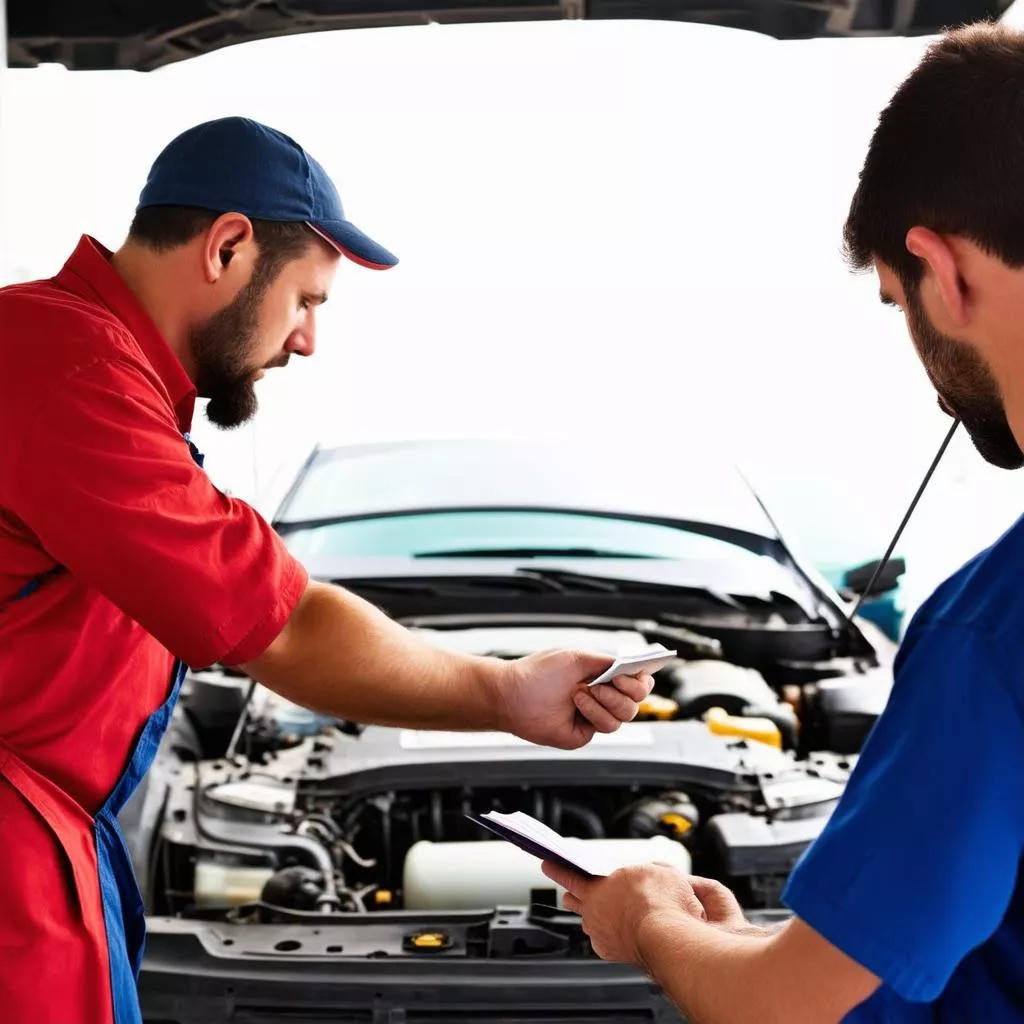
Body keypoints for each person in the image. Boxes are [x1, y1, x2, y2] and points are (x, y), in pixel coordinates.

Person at [0, 116, 651, 1024]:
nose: (307, 341)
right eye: (307, 299)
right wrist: (505, 695)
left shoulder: (61, 355)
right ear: (228, 247)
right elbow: (287, 627)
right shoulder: (71, 372)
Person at [542, 20, 1024, 1024]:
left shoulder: (992, 634)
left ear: (941, 270)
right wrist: (756, 944)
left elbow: (785, 1011)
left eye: (898, 301)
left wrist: (651, 922)